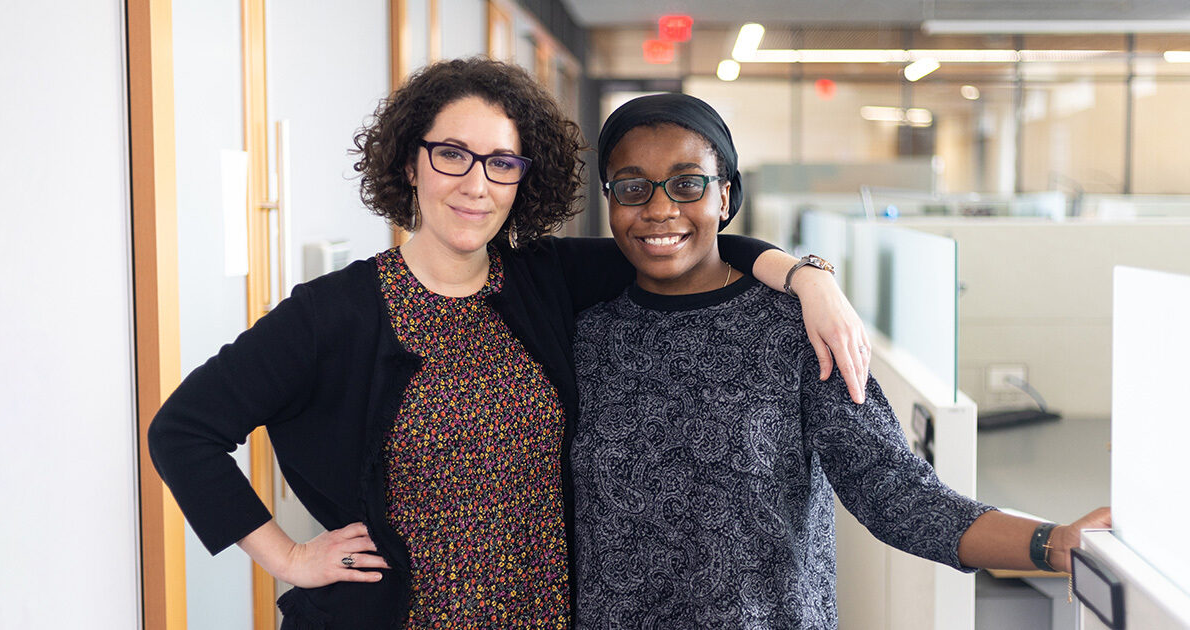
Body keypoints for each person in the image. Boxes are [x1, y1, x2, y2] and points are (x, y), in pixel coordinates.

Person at [148, 58, 871, 629]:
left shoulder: (543, 280)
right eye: (452, 155)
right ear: (410, 164)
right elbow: (184, 430)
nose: (476, 183)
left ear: (522, 181)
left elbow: (679, 234)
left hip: (543, 614)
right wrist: (286, 556)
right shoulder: (334, 314)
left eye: (501, 162)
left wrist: (807, 277)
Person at [570, 92, 1112, 628]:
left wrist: (1049, 543)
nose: (660, 208)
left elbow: (894, 490)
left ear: (726, 196)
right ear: (610, 200)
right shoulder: (584, 337)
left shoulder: (799, 329)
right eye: (633, 188)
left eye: (688, 183)